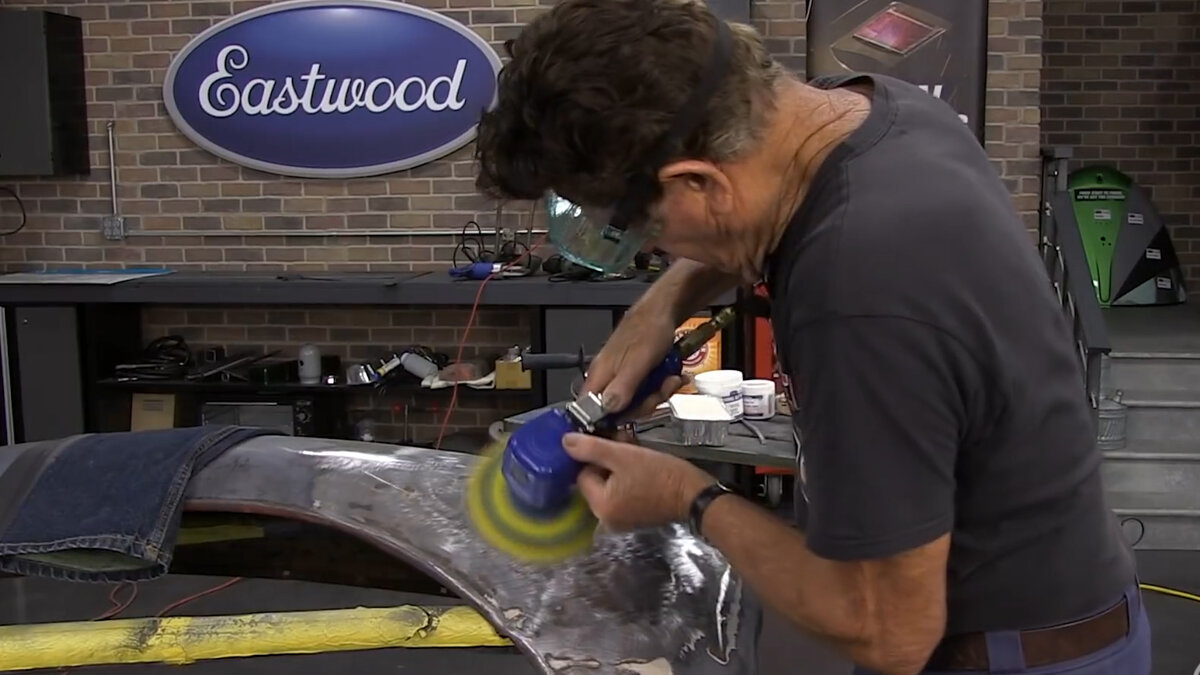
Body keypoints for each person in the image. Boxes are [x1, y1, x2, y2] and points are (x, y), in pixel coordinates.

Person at [472, 1, 1151, 673]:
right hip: (1059, 610)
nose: (656, 251)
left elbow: (890, 634)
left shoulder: (858, 292)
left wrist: (688, 496)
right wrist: (662, 304)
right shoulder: (879, 111)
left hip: (1008, 655)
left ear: (698, 181)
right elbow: (761, 195)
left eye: (648, 232)